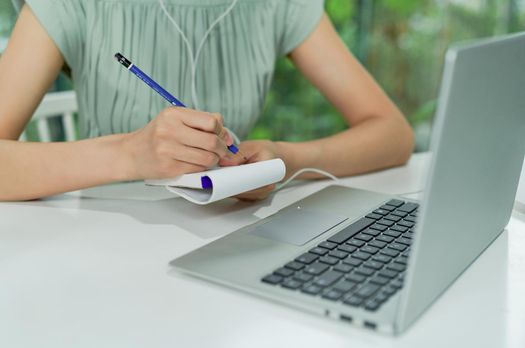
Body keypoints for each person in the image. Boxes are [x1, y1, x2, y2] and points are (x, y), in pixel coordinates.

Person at [0, 0, 414, 202]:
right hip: (100, 256)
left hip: (230, 238)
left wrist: (279, 159)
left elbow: (392, 133)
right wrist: (128, 154)